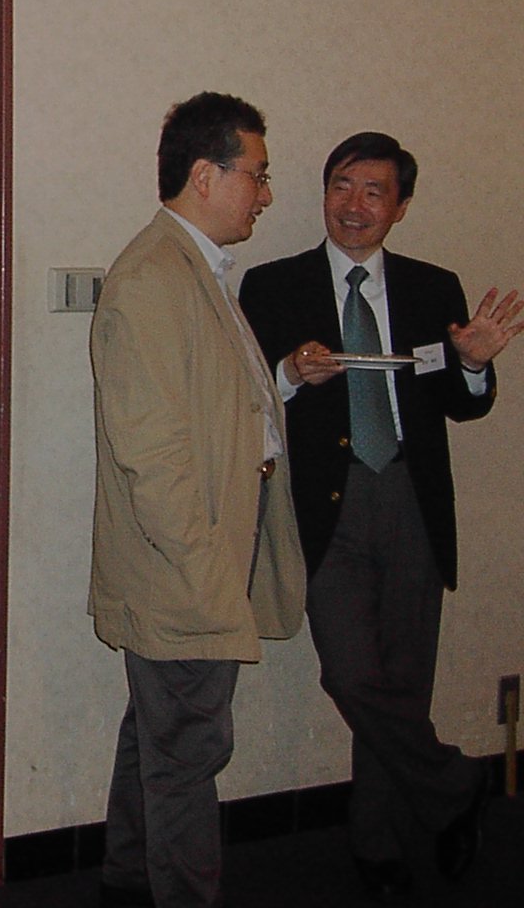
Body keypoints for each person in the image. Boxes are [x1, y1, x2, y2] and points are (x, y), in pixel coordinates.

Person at [238, 131, 521, 899]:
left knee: (403, 684)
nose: (354, 204)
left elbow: (463, 405)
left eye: (374, 191)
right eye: (342, 185)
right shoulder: (274, 285)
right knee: (353, 675)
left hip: (411, 500)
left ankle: (379, 847)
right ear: (324, 193)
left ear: (401, 207)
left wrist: (473, 362)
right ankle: (456, 785)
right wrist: (288, 373)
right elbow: (246, 397)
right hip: (324, 506)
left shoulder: (433, 287)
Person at [89, 92, 307, 908]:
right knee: (190, 747)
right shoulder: (153, 278)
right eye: (258, 174)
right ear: (206, 175)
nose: (266, 194)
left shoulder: (192, 269)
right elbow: (152, 456)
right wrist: (206, 571)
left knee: (161, 731)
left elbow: (227, 408)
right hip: (185, 562)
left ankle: (126, 876)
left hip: (201, 552)